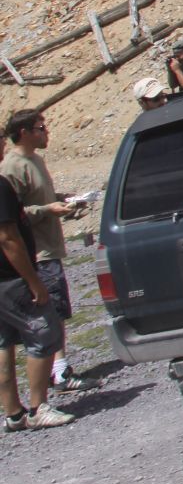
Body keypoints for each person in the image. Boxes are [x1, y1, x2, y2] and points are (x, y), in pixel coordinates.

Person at [1, 112, 91, 395]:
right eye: (41, 129)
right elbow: (15, 215)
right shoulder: (12, 168)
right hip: (37, 252)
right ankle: (59, 373)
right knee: (47, 317)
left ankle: (58, 369)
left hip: (50, 247)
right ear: (25, 132)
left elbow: (36, 201)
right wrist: (47, 210)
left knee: (58, 311)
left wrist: (63, 201)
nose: (46, 133)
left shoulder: (35, 161)